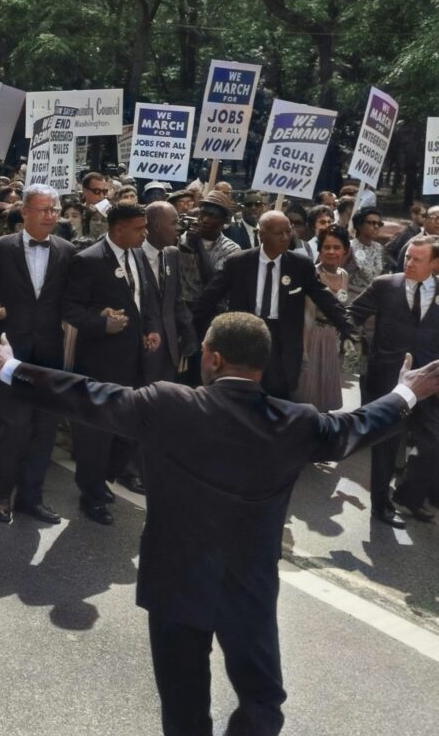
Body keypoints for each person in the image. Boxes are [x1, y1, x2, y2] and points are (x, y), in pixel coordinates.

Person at [0, 313, 439, 736]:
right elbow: (354, 427)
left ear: (211, 357)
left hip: (175, 583)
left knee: (185, 713)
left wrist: (10, 366)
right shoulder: (297, 422)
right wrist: (407, 393)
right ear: (261, 363)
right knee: (263, 702)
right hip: (248, 587)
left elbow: (85, 394)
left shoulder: (168, 404)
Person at [0, 182, 75, 524]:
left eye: (56, 210)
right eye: (44, 209)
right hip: (12, 353)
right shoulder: (2, 249)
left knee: (44, 429)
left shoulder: (66, 250)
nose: (51, 216)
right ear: (25, 212)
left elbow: (72, 302)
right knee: (15, 427)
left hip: (49, 353)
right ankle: (3, 496)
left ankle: (32, 498)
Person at [194, 210, 354, 399]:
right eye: (279, 233)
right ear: (261, 235)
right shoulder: (238, 262)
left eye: (289, 231)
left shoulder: (299, 265)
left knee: (277, 401)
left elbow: (322, 296)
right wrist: (192, 330)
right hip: (246, 338)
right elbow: (209, 298)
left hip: (282, 343)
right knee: (242, 398)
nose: (286, 237)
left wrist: (348, 326)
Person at [65, 203, 161, 516]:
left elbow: (146, 302)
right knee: (96, 435)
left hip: (136, 363)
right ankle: (91, 494)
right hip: (100, 364)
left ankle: (103, 478)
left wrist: (150, 329)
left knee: (132, 432)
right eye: (138, 228)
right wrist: (102, 323)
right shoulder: (88, 260)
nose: (144, 233)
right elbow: (71, 310)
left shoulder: (139, 256)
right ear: (118, 228)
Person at [350, 236, 439, 527]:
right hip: (389, 379)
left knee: (432, 443)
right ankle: (381, 506)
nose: (408, 263)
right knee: (386, 446)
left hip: (429, 382)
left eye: (417, 259)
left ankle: (409, 496)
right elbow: (353, 314)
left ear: (435, 264)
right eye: (408, 257)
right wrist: (352, 339)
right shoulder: (385, 285)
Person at [295, 224, 350, 411]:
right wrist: (304, 350)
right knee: (308, 393)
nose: (331, 252)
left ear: (345, 250)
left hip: (331, 337)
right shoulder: (313, 274)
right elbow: (307, 314)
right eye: (326, 247)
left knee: (324, 396)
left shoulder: (344, 275)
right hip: (312, 335)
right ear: (319, 249)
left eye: (336, 247)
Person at [142, 201, 197, 383]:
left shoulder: (172, 254)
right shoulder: (131, 255)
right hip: (141, 348)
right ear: (156, 226)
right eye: (173, 223)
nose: (179, 228)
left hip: (169, 348)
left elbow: (177, 300)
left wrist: (188, 334)